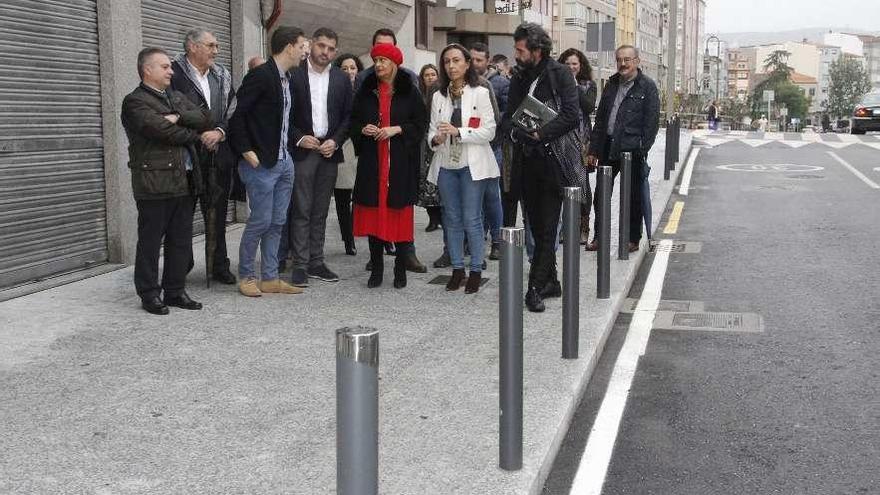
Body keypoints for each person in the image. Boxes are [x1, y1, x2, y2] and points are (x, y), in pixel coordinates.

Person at [121, 47, 214, 314]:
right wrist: (193, 133)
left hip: (184, 180)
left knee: (181, 240)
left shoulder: (175, 96)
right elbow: (162, 131)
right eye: (164, 67)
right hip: (154, 182)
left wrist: (179, 117)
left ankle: (175, 290)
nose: (171, 71)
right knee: (150, 241)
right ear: (147, 70)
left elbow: (205, 117)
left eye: (170, 67)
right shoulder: (135, 102)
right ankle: (149, 293)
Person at [501, 23, 580, 313]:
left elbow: (572, 116)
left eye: (520, 50)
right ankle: (552, 280)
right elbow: (509, 115)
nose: (516, 54)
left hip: (553, 161)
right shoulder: (519, 76)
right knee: (535, 225)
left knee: (548, 228)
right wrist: (519, 132)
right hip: (526, 160)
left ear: (537, 50)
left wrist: (540, 133)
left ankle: (534, 287)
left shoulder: (560, 74)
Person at [227, 26, 309, 297]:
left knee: (277, 222)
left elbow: (285, 122)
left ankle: (271, 277)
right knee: (260, 221)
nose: (304, 51)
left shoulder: (287, 78)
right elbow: (236, 116)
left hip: (284, 162)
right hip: (260, 164)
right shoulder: (260, 76)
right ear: (288, 47)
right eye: (301, 46)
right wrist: (246, 151)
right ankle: (247, 275)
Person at [350, 43, 427, 289]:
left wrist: (397, 129)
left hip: (400, 162)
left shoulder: (410, 91)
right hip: (373, 160)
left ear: (394, 63)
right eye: (376, 60)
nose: (379, 65)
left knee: (400, 216)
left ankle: (400, 267)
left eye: (383, 60)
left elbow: (420, 124)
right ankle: (377, 267)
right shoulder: (365, 90)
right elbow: (353, 119)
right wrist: (363, 128)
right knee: (373, 213)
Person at [427, 44, 499, 294]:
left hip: (472, 164)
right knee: (451, 219)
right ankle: (457, 269)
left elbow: (490, 131)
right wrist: (435, 139)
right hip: (447, 164)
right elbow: (431, 131)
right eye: (447, 62)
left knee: (472, 218)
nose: (451, 66)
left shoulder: (480, 92)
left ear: (467, 63)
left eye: (456, 60)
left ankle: (476, 269)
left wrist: (460, 131)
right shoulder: (438, 95)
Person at [169, 28, 238, 285]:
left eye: (217, 45)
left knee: (217, 214)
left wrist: (219, 132)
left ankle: (219, 265)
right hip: (186, 158)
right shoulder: (173, 74)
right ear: (192, 47)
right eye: (210, 45)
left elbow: (233, 110)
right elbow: (171, 111)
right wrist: (198, 135)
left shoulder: (222, 76)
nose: (216, 51)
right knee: (182, 216)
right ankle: (181, 267)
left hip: (217, 156)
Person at [285, 28, 352, 287]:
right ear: (311, 46)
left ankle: (316, 261)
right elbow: (283, 115)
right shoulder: (294, 75)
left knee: (321, 210)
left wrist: (336, 141)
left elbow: (348, 116)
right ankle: (300, 265)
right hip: (303, 150)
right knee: (301, 209)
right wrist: (300, 138)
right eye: (321, 46)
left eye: (331, 48)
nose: (325, 52)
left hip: (329, 151)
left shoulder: (340, 78)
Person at [586, 45, 660, 254]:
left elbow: (651, 123)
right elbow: (600, 120)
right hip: (608, 146)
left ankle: (632, 239)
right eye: (619, 59)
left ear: (637, 61)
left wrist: (641, 148)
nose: (623, 64)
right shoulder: (611, 84)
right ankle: (600, 237)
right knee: (601, 194)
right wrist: (593, 149)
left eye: (627, 59)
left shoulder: (647, 87)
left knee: (633, 196)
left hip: (631, 150)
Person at [469, 42, 506, 261]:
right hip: (469, 147)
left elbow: (506, 113)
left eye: (479, 60)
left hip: (492, 147)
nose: (475, 64)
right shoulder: (462, 83)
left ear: (487, 61)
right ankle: (475, 238)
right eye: (471, 59)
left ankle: (497, 241)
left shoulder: (499, 83)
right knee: (473, 197)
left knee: (492, 197)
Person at [559, 47, 596, 246]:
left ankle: (584, 226)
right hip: (559, 139)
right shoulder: (555, 84)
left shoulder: (588, 85)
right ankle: (566, 227)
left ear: (580, 66)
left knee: (582, 183)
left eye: (574, 64)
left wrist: (572, 85)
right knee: (562, 182)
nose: (571, 67)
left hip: (582, 141)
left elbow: (589, 107)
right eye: (567, 64)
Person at [333, 53, 363, 256]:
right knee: (343, 197)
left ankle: (383, 240)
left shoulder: (365, 91)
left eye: (353, 68)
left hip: (362, 148)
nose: (349, 72)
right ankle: (348, 239)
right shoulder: (333, 92)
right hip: (342, 147)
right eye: (345, 68)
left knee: (363, 197)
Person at [417, 64, 442, 232]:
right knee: (426, 181)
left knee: (440, 181)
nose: (430, 77)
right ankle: (433, 219)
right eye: (427, 75)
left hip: (440, 141)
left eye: (433, 74)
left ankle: (442, 216)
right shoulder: (419, 96)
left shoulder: (442, 94)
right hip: (423, 142)